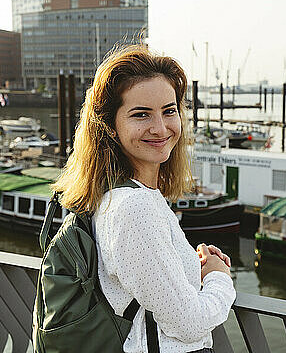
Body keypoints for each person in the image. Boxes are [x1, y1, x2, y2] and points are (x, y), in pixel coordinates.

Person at [53, 44, 236, 353]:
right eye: (141, 115)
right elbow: (188, 324)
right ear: (111, 127)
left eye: (169, 111)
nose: (160, 128)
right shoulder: (134, 207)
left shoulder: (118, 194)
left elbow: (138, 278)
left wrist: (191, 263)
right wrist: (219, 278)